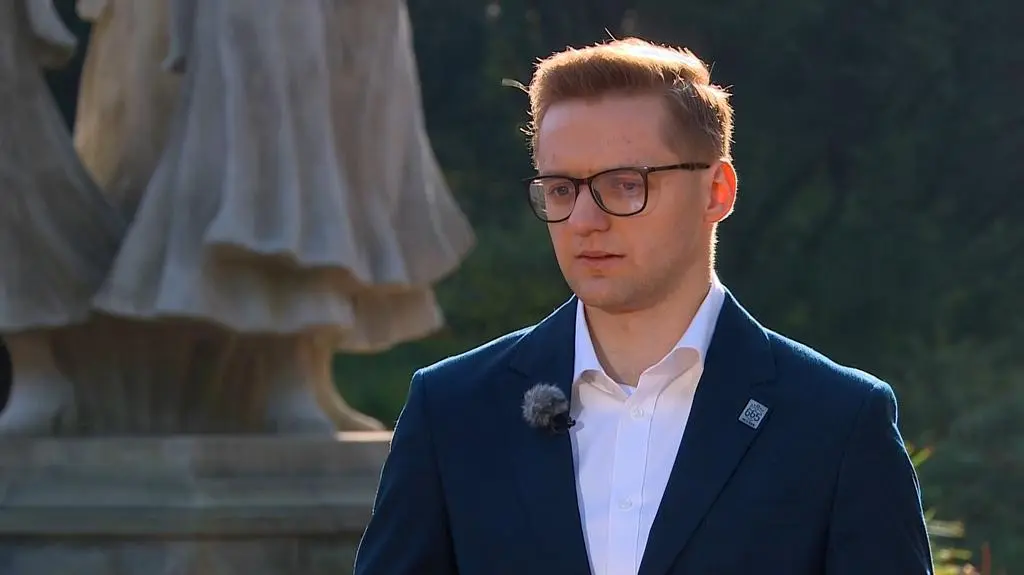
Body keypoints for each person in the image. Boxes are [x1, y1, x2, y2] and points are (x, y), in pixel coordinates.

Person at [354, 38, 933, 575]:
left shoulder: (837, 423)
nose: (585, 220)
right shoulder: (453, 413)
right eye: (561, 189)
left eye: (625, 184)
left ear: (717, 191)